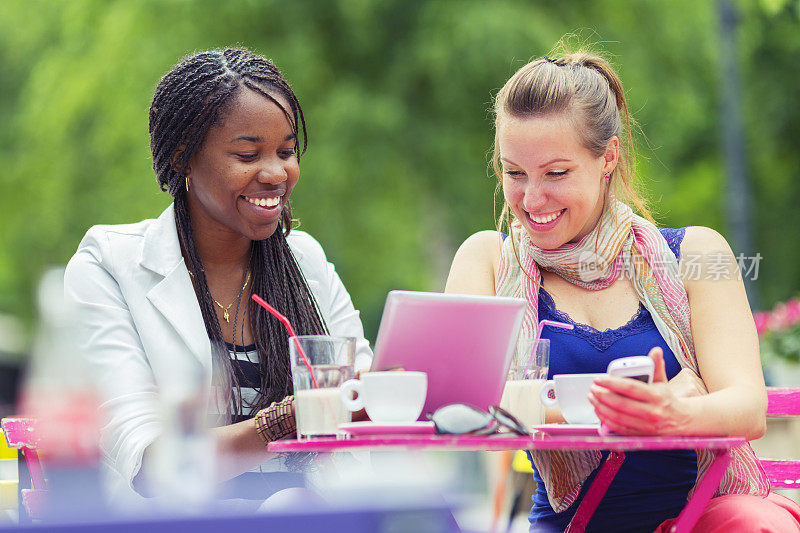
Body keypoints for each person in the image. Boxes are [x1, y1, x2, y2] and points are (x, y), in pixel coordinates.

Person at [445, 50, 800, 532]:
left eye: (556, 173)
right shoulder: (486, 260)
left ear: (608, 157)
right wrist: (624, 408)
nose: (531, 200)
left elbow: (748, 408)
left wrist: (674, 415)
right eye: (514, 173)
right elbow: (458, 405)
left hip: (702, 518)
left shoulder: (698, 254)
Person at [64, 48, 372, 509]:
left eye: (287, 151)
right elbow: (147, 461)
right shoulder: (109, 265)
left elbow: (365, 410)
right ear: (182, 157)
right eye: (248, 154)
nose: (276, 173)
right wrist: (284, 422)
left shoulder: (305, 261)